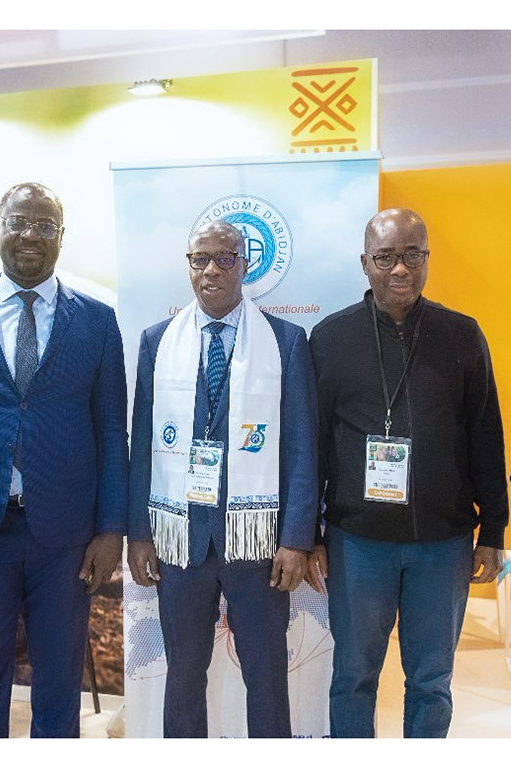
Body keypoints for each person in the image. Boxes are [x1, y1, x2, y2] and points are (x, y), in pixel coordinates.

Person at [0, 182, 128, 738]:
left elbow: (112, 430)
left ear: (62, 236)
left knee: (59, 682)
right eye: (18, 222)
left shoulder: (97, 321)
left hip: (66, 538)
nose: (30, 235)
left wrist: (112, 528)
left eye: (45, 225)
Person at [306, 208, 508, 738]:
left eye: (412, 255)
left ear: (427, 258)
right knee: (353, 676)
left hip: (442, 543)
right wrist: (308, 535)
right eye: (386, 257)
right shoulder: (330, 338)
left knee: (431, 681)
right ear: (364, 263)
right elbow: (315, 443)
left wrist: (493, 530)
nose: (400, 269)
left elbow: (486, 435)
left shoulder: (462, 334)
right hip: (357, 542)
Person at [127, 220, 318, 738]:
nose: (211, 269)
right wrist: (139, 534)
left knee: (267, 675)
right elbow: (142, 443)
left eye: (225, 258)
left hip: (258, 544)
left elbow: (301, 446)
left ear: (244, 264)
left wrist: (296, 539)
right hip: (180, 540)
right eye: (200, 259)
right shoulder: (156, 342)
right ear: (189, 265)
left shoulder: (285, 341)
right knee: (184, 676)